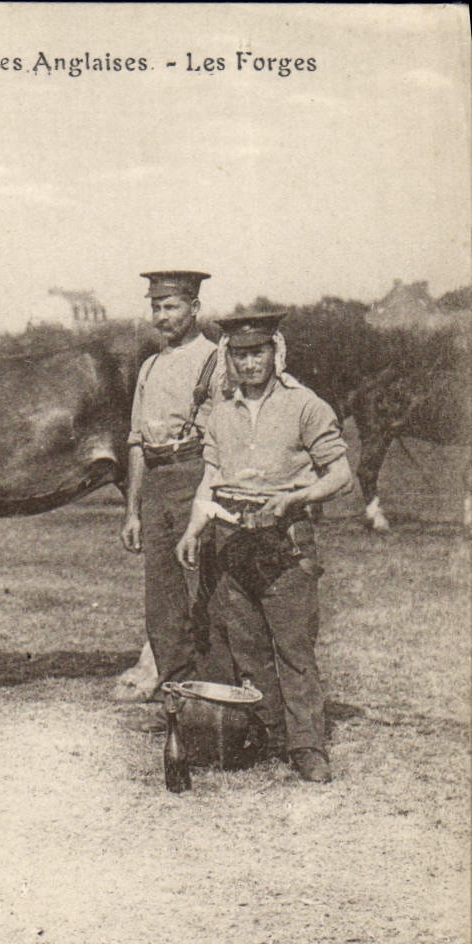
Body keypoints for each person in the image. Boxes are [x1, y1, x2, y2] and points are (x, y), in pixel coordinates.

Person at [176, 312, 351, 784]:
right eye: (239, 354)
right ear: (227, 358)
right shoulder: (221, 412)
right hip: (232, 541)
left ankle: (308, 747)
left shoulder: (306, 406)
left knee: (294, 648)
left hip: (286, 541)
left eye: (258, 352)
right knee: (248, 648)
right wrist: (193, 530)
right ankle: (273, 736)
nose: (250, 363)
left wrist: (294, 499)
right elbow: (209, 481)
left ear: (276, 352)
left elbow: (340, 475)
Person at [120, 271, 222, 723]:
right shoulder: (150, 366)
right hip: (158, 483)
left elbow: (224, 438)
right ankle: (177, 691)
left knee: (205, 587)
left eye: (171, 307)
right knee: (161, 595)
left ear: (194, 308)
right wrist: (133, 510)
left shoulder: (216, 361)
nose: (162, 317)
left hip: (197, 474)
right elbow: (137, 442)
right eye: (156, 308)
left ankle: (216, 690)